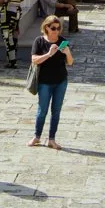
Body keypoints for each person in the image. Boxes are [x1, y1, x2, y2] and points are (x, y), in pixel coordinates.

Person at [28, 16, 72, 148]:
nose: (56, 31)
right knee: (42, 110)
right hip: (44, 82)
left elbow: (70, 63)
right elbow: (34, 60)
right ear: (46, 27)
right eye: (53, 28)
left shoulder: (63, 41)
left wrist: (68, 52)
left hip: (60, 81)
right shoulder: (40, 41)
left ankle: (52, 139)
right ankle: (37, 136)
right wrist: (48, 54)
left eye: (58, 28)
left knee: (56, 111)